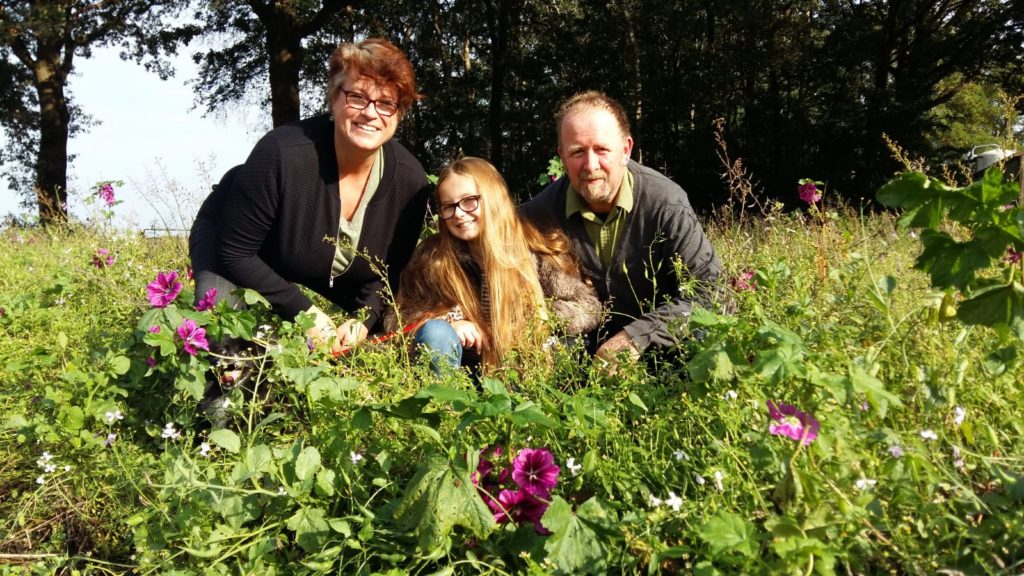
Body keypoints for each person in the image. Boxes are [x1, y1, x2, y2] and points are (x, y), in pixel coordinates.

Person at [189, 38, 430, 356]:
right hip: (238, 247)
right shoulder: (281, 153)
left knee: (385, 337)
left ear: (399, 112)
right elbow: (235, 252)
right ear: (334, 97)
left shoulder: (410, 183)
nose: (371, 113)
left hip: (325, 267)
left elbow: (389, 272)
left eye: (386, 103)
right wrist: (303, 311)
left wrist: (363, 318)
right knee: (223, 331)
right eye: (357, 97)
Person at [520, 91, 722, 366]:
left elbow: (712, 292)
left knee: (704, 336)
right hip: (582, 353)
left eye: (601, 150)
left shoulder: (664, 202)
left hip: (662, 347)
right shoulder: (539, 214)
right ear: (562, 156)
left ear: (626, 150)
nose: (590, 165)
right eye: (577, 152)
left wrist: (636, 337)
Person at [390, 156, 602, 374]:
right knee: (436, 332)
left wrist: (531, 318)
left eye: (469, 201)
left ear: (493, 197)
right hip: (462, 371)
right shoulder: (434, 257)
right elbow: (396, 319)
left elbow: (589, 307)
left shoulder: (533, 249)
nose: (459, 214)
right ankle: (441, 396)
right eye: (448, 206)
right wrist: (451, 322)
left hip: (522, 369)